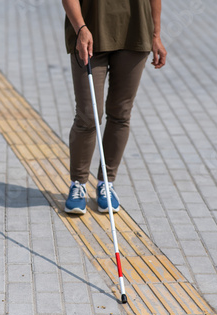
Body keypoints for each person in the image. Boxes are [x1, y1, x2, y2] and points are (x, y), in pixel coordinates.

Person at [62, 0, 167, 214]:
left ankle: (105, 183)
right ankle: (78, 184)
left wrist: (155, 35)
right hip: (89, 33)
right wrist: (80, 27)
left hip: (135, 33)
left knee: (120, 114)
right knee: (88, 116)